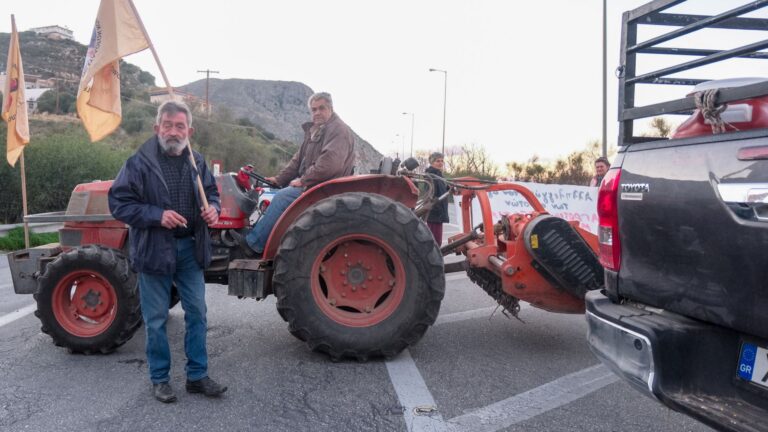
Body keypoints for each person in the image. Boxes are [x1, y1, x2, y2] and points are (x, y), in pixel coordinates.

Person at [108, 101, 226, 403]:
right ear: (156, 127)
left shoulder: (197, 162)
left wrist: (213, 209)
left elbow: (212, 194)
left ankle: (197, 376)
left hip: (190, 248)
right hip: (154, 249)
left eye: (180, 126)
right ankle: (160, 379)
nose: (173, 131)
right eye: (168, 125)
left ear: (190, 131)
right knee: (156, 318)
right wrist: (157, 215)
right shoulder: (138, 163)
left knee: (198, 313)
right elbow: (119, 203)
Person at [237, 92, 355, 256]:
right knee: (270, 193)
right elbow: (297, 160)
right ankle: (258, 234)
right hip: (315, 184)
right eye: (314, 110)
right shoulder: (315, 131)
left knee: (282, 198)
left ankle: (254, 245)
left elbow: (330, 164)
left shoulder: (338, 130)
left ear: (331, 108)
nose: (317, 113)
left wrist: (304, 180)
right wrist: (279, 179)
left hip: (325, 187)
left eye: (322, 108)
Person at [425, 152, 449, 246]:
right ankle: (432, 260)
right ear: (432, 163)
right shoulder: (431, 175)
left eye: (442, 161)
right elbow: (430, 194)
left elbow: (441, 191)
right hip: (435, 214)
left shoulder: (439, 175)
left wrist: (449, 188)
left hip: (439, 213)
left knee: (437, 241)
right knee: (435, 242)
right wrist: (437, 209)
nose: (440, 163)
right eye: (437, 161)